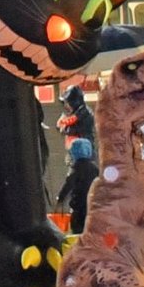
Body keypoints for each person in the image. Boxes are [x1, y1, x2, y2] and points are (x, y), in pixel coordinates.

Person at [55, 96, 96, 232]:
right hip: (93, 211)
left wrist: (60, 200)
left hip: (78, 211)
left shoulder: (75, 170)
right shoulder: (94, 170)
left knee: (78, 236)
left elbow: (68, 185)